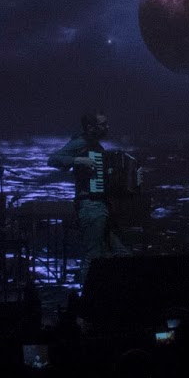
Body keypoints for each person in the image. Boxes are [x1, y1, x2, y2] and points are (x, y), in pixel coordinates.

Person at [46, 109, 131, 283]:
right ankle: (87, 294)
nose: (107, 127)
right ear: (91, 127)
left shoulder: (96, 146)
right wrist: (78, 160)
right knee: (93, 256)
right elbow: (53, 159)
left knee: (120, 253)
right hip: (90, 206)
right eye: (103, 124)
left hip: (100, 207)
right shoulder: (80, 142)